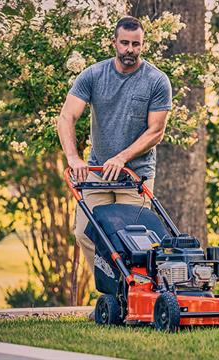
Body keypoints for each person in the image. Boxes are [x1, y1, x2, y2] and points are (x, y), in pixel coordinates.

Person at [57, 15, 172, 272]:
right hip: (97, 172)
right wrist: (74, 159)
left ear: (143, 44)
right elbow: (66, 117)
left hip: (135, 175)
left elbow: (156, 131)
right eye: (124, 43)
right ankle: (111, 298)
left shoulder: (156, 80)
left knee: (138, 243)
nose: (130, 49)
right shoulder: (94, 75)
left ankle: (137, 299)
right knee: (85, 233)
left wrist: (122, 157)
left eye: (136, 44)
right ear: (114, 43)